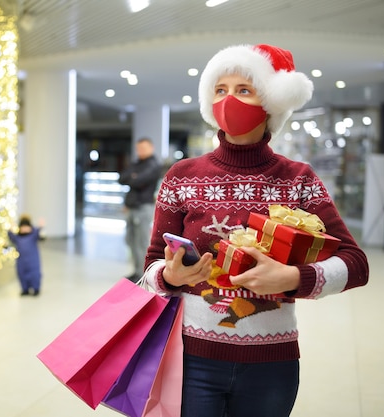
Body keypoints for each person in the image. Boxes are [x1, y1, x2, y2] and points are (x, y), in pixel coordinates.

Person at [141, 44, 369, 417]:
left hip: (271, 363)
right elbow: (150, 268)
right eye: (220, 89)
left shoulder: (297, 179)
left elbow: (356, 264)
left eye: (243, 89)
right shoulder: (181, 177)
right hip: (192, 358)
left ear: (271, 101)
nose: (229, 99)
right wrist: (169, 275)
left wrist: (294, 277)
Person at [118, 137, 162, 282]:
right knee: (131, 241)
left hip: (142, 208)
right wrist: (133, 176)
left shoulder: (153, 165)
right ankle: (137, 271)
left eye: (143, 148)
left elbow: (138, 181)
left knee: (141, 242)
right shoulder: (137, 163)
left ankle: (143, 273)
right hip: (131, 208)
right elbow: (122, 178)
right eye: (139, 149)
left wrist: (133, 177)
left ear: (151, 148)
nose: (141, 151)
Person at [8, 215, 43, 296]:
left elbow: (38, 232)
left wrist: (40, 227)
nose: (25, 229)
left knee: (34, 274)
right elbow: (11, 236)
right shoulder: (18, 238)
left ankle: (36, 288)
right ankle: (25, 289)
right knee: (21, 274)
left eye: (26, 227)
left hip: (33, 261)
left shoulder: (33, 235)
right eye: (23, 227)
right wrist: (10, 228)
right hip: (21, 261)